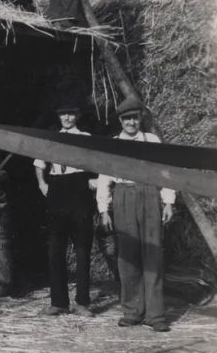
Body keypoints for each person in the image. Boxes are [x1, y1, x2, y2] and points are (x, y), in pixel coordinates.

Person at [92, 95, 175, 333]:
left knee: (152, 253)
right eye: (127, 119)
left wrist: (168, 202)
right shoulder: (114, 143)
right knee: (127, 257)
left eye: (135, 118)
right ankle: (132, 312)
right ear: (120, 120)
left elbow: (165, 172)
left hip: (149, 194)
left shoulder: (152, 140)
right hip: (123, 196)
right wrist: (103, 209)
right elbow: (103, 178)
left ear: (141, 118)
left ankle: (156, 315)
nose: (131, 122)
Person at [34, 103, 95, 317]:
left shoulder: (86, 137)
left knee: (82, 248)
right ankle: (59, 302)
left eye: (71, 113)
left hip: (79, 189)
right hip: (57, 189)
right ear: (58, 117)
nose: (67, 117)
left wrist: (93, 182)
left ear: (77, 115)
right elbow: (39, 163)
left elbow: (98, 163)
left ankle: (82, 303)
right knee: (55, 249)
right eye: (63, 114)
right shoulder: (51, 138)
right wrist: (43, 184)